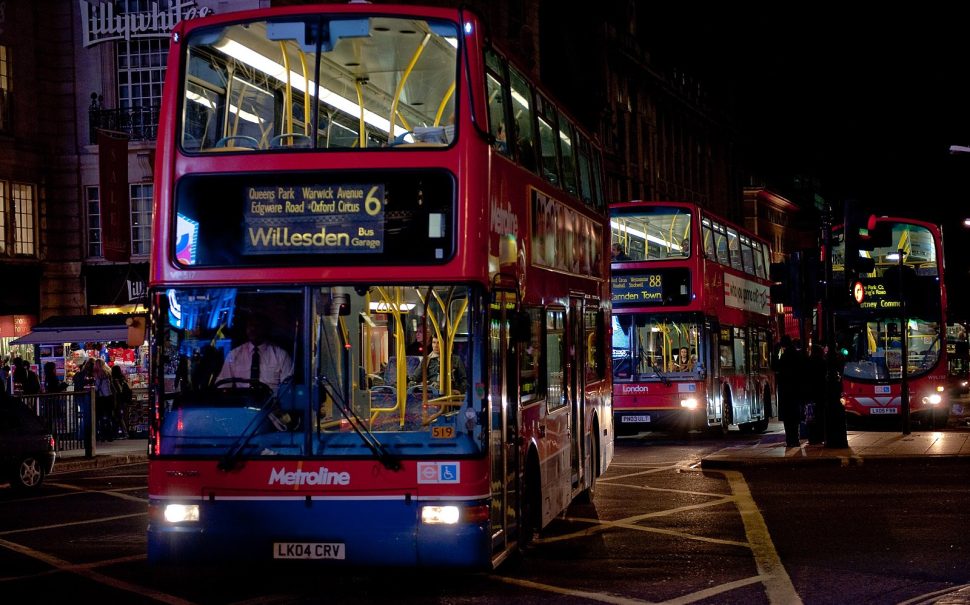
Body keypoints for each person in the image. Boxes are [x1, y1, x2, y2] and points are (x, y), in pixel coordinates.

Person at [216, 313, 294, 392]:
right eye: (250, 325)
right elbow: (223, 386)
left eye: (257, 326)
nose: (253, 329)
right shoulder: (234, 355)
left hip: (271, 403)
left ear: (265, 329)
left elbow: (288, 390)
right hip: (242, 402)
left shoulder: (281, 355)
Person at [775, 336, 806, 448]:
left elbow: (774, 366)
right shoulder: (798, 355)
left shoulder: (784, 357)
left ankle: (790, 439)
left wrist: (775, 351)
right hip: (796, 391)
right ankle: (796, 439)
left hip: (786, 391)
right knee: (795, 417)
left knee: (788, 419)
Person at [110, 365, 132, 439]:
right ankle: (121, 433)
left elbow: (118, 391)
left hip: (117, 400)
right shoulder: (123, 378)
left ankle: (121, 433)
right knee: (120, 417)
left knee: (118, 417)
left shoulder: (115, 380)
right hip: (123, 400)